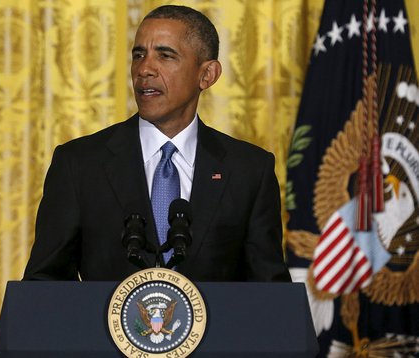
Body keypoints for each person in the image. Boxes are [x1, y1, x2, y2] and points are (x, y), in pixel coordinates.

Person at [23, 5, 291, 282]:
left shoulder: (248, 170)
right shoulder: (79, 164)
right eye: (139, 55)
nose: (145, 69)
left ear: (207, 75)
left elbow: (268, 294)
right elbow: (44, 286)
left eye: (165, 55)